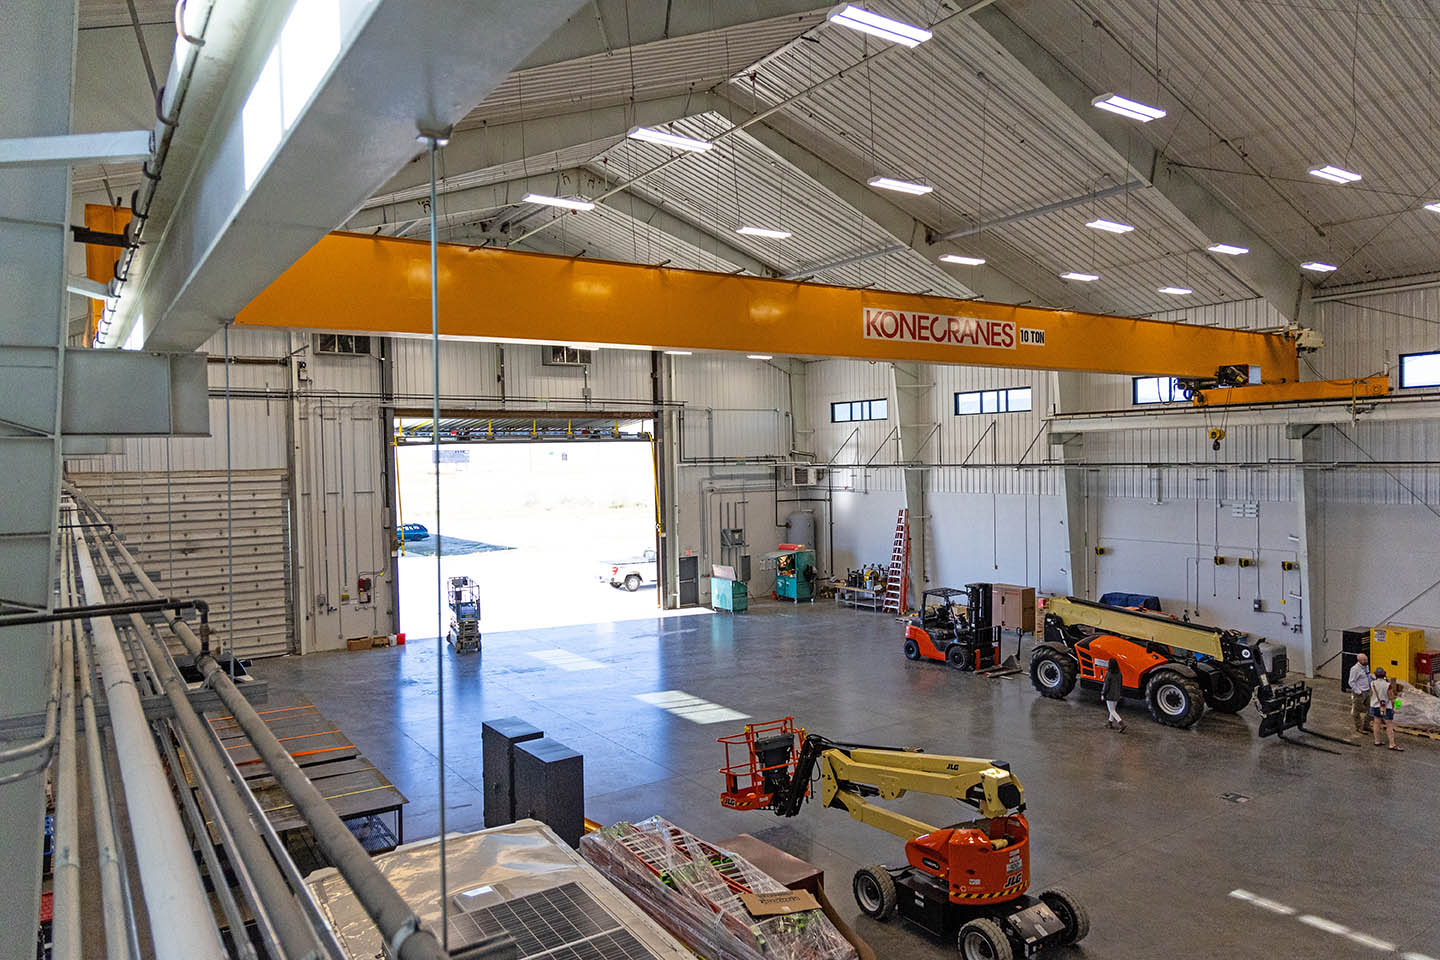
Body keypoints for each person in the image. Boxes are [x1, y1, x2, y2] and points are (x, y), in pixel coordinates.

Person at [1370, 668, 1403, 751]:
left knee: (1376, 723)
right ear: (1384, 674)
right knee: (1389, 725)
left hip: (1374, 706)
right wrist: (1395, 706)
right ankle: (1392, 744)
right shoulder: (1388, 685)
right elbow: (1391, 697)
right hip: (1386, 707)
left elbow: (1371, 694)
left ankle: (1377, 741)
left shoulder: (1372, 683)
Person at [1347, 653, 1372, 734]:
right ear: (1359, 660)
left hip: (1367, 691)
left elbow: (1367, 676)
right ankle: (1359, 727)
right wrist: (1358, 691)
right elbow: (1351, 682)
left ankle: (1366, 725)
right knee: (1356, 711)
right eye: (1364, 660)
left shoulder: (1366, 667)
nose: (1366, 661)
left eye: (1366, 659)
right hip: (1359, 693)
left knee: (1370, 709)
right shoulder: (1355, 669)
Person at [1102, 658, 1125, 732]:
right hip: (1117, 694)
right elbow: (1121, 684)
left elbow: (1106, 685)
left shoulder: (1109, 674)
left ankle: (1121, 724)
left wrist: (1103, 694)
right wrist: (1120, 693)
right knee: (1113, 709)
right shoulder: (1119, 674)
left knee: (1112, 710)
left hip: (1110, 695)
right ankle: (1110, 723)